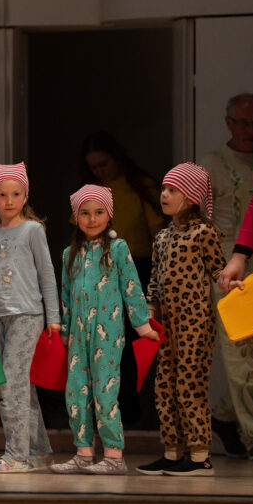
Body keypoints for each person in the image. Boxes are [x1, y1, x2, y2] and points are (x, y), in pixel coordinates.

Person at [50, 185, 157, 475]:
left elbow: (132, 288)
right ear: (76, 217)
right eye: (85, 213)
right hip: (77, 336)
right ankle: (83, 454)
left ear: (109, 215)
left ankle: (114, 456)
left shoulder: (118, 248)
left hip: (107, 335)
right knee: (76, 394)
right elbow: (66, 294)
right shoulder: (69, 254)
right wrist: (65, 331)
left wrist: (143, 326)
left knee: (104, 392)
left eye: (99, 212)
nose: (92, 219)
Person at [137, 163, 226, 477]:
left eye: (172, 190)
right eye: (163, 188)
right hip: (167, 326)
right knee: (165, 387)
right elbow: (154, 280)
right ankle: (172, 453)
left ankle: (200, 456)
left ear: (191, 197)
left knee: (190, 385)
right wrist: (150, 310)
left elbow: (219, 271)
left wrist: (232, 283)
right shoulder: (162, 237)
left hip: (195, 323)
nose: (164, 194)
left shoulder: (204, 232)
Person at [0, 162, 60, 473]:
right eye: (2, 194)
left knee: (11, 384)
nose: (9, 201)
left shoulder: (33, 230)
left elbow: (46, 273)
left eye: (16, 194)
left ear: (25, 196)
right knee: (23, 387)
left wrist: (54, 316)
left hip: (29, 315)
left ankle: (17, 455)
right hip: (1, 318)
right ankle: (38, 450)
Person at [78, 131, 164, 425]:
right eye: (93, 167)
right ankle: (106, 409)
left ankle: (136, 411)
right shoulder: (90, 192)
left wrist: (157, 281)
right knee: (104, 342)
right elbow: (78, 237)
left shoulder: (141, 186)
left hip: (139, 268)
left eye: (103, 164)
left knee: (135, 340)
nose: (99, 171)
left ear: (117, 157)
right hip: (100, 271)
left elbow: (157, 236)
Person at [200, 93, 253, 460]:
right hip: (230, 267)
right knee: (245, 351)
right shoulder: (212, 166)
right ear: (229, 123)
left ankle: (226, 415)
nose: (251, 130)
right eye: (243, 122)